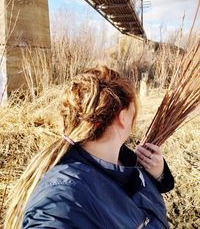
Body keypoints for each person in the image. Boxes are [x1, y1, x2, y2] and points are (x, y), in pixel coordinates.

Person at [5, 66, 174, 229]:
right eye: (133, 110)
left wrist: (158, 175)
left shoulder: (125, 160)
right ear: (122, 118)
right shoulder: (64, 193)